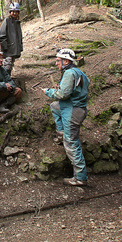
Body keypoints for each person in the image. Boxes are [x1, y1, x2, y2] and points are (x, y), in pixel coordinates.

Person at [40, 48, 90, 187]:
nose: (56, 64)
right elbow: (74, 90)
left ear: (66, 61)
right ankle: (61, 132)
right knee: (54, 107)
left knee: (72, 144)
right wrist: (60, 88)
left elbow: (63, 95)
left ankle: (80, 177)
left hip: (72, 111)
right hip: (75, 108)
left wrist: (49, 91)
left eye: (58, 61)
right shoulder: (78, 72)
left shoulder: (69, 73)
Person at [0, 2, 23, 74]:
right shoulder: (7, 21)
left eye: (16, 12)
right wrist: (5, 47)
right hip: (8, 48)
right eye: (13, 11)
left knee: (11, 63)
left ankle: (8, 78)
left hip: (15, 48)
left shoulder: (17, 22)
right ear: (10, 12)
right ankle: (5, 79)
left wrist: (20, 47)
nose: (14, 13)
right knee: (7, 64)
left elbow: (19, 36)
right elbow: (1, 35)